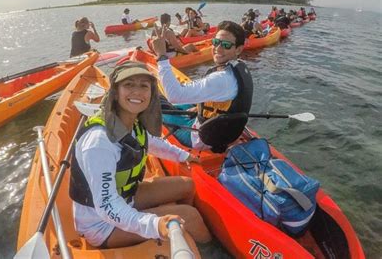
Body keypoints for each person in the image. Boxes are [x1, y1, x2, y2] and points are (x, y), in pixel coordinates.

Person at [69, 61, 211, 248]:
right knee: (190, 216)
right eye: (129, 85)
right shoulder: (99, 142)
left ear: (151, 94)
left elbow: (151, 143)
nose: (137, 92)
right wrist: (154, 224)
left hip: (126, 197)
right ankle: (205, 248)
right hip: (101, 224)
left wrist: (183, 156)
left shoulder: (132, 123)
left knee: (187, 185)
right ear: (115, 92)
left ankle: (182, 234)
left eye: (144, 86)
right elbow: (106, 205)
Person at [152, 21, 253, 152]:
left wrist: (161, 56)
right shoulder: (239, 67)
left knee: (155, 103)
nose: (218, 49)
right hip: (222, 133)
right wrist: (198, 107)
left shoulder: (221, 79)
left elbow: (174, 95)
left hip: (202, 139)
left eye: (226, 45)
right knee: (176, 105)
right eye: (216, 42)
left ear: (238, 49)